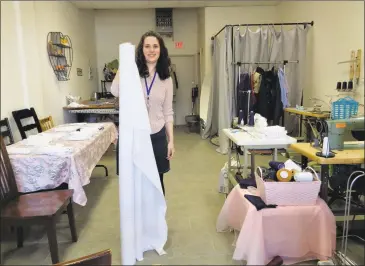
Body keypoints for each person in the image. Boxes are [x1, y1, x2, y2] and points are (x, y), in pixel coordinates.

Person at [111, 31, 175, 196]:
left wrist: (171, 141)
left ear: (161, 50)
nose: (151, 50)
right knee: (135, 183)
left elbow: (168, 112)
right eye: (147, 46)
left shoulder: (166, 79)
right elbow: (115, 91)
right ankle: (139, 220)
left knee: (157, 183)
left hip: (157, 135)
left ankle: (157, 220)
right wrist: (123, 66)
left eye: (155, 46)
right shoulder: (132, 73)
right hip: (135, 136)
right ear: (142, 49)